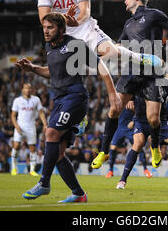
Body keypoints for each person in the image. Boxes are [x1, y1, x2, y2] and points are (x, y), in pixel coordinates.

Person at [16, 12, 122, 203]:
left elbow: (101, 67)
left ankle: (44, 183)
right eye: (44, 28)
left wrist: (112, 94)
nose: (46, 32)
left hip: (75, 97)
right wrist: (33, 68)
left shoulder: (75, 44)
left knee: (50, 134)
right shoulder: (49, 46)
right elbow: (52, 71)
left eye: (51, 28)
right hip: (59, 100)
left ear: (62, 29)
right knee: (57, 154)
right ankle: (79, 194)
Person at [92, 0, 168, 170]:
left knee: (153, 119)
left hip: (152, 73)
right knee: (114, 109)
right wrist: (100, 54)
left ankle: (155, 146)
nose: (125, 1)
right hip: (132, 71)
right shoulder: (128, 24)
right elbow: (118, 46)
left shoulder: (153, 15)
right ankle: (103, 151)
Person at [105, 100, 152, 179]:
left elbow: (139, 112)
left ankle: (145, 169)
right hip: (119, 128)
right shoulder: (118, 101)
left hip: (129, 128)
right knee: (113, 147)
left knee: (138, 146)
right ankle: (110, 170)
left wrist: (133, 121)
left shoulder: (131, 102)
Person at [10, 83, 47, 176]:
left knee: (32, 148)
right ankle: (14, 168)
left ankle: (32, 170)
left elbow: (41, 113)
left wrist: (45, 125)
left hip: (31, 127)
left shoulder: (36, 99)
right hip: (20, 126)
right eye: (26, 88)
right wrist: (16, 126)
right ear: (23, 89)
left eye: (30, 88)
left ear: (32, 90)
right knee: (16, 146)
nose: (28, 90)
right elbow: (13, 115)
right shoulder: (17, 100)